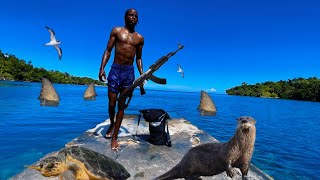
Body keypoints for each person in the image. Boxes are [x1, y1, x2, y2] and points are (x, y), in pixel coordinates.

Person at [98, 8, 144, 150]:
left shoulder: (139, 38)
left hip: (129, 73)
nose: (133, 17)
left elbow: (139, 58)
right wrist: (102, 68)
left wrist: (142, 75)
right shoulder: (117, 31)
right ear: (125, 17)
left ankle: (115, 137)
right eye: (130, 15)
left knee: (122, 105)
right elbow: (108, 50)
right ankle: (112, 123)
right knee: (112, 104)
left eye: (135, 16)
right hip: (115, 69)